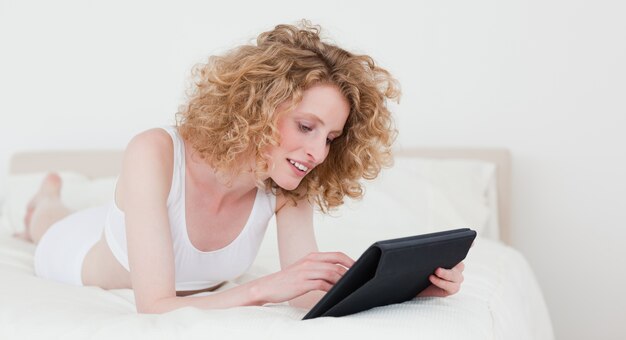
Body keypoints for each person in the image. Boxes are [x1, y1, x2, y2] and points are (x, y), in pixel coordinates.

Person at [17, 21, 465, 314]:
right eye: (306, 126)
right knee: (49, 221)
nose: (318, 153)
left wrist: (411, 286)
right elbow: (155, 306)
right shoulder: (153, 152)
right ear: (258, 106)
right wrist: (262, 288)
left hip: (130, 224)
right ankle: (48, 195)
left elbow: (308, 294)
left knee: (93, 216)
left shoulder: (288, 185)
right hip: (73, 252)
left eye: (329, 138)